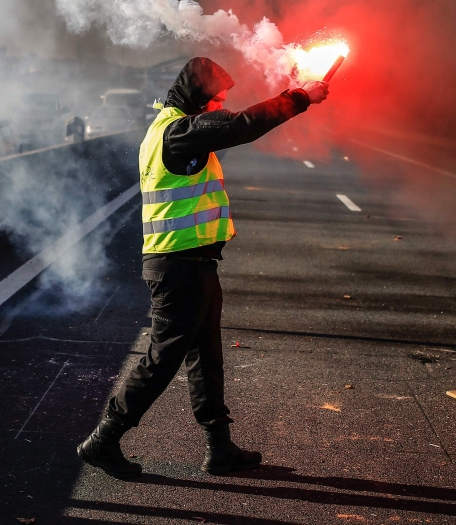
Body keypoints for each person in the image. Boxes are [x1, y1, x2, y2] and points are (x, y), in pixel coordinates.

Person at [77, 57, 329, 479]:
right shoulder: (177, 132)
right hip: (178, 267)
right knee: (162, 360)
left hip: (195, 264)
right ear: (197, 100)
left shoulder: (177, 129)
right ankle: (103, 439)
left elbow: (233, 124)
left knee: (206, 359)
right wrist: (299, 97)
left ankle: (219, 447)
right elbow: (240, 125)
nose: (219, 109)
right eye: (215, 101)